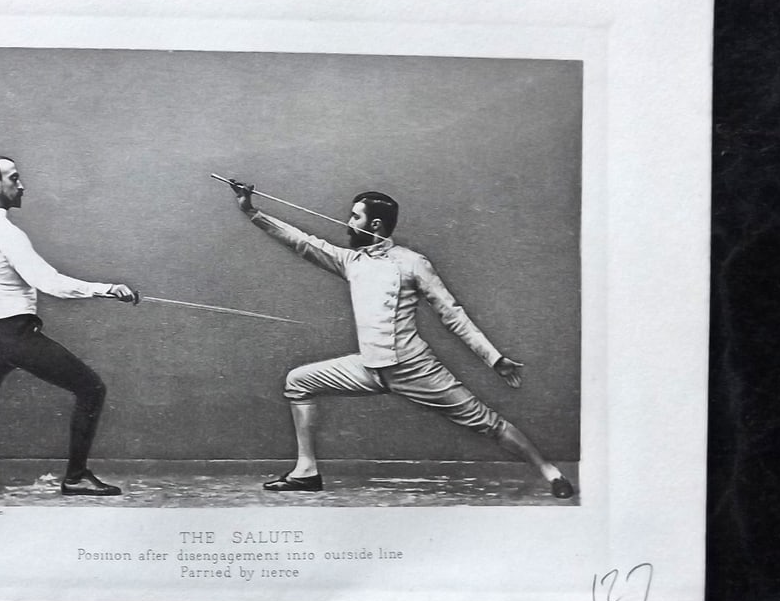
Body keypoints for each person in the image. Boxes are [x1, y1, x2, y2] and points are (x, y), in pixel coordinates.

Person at [226, 180, 574, 499]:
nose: (348, 223)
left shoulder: (412, 263)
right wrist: (251, 210)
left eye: (354, 216)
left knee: (487, 423)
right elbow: (303, 242)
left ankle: (550, 473)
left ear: (374, 225)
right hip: (368, 368)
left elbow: (453, 314)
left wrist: (494, 359)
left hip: (415, 369)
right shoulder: (351, 261)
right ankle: (306, 472)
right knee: (297, 381)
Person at [0, 156, 139, 496]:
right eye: (14, 178)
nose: (21, 185)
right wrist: (107, 289)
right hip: (16, 335)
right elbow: (48, 282)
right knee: (91, 389)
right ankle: (76, 477)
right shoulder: (7, 234)